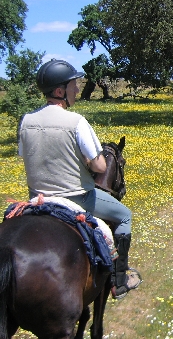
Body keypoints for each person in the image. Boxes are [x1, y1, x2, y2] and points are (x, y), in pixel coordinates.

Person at [18, 59, 141, 300]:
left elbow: (27, 155)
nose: (77, 89)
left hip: (37, 199)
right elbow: (99, 165)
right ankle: (119, 280)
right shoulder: (76, 122)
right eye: (73, 85)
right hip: (78, 197)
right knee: (125, 214)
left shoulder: (26, 121)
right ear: (59, 91)